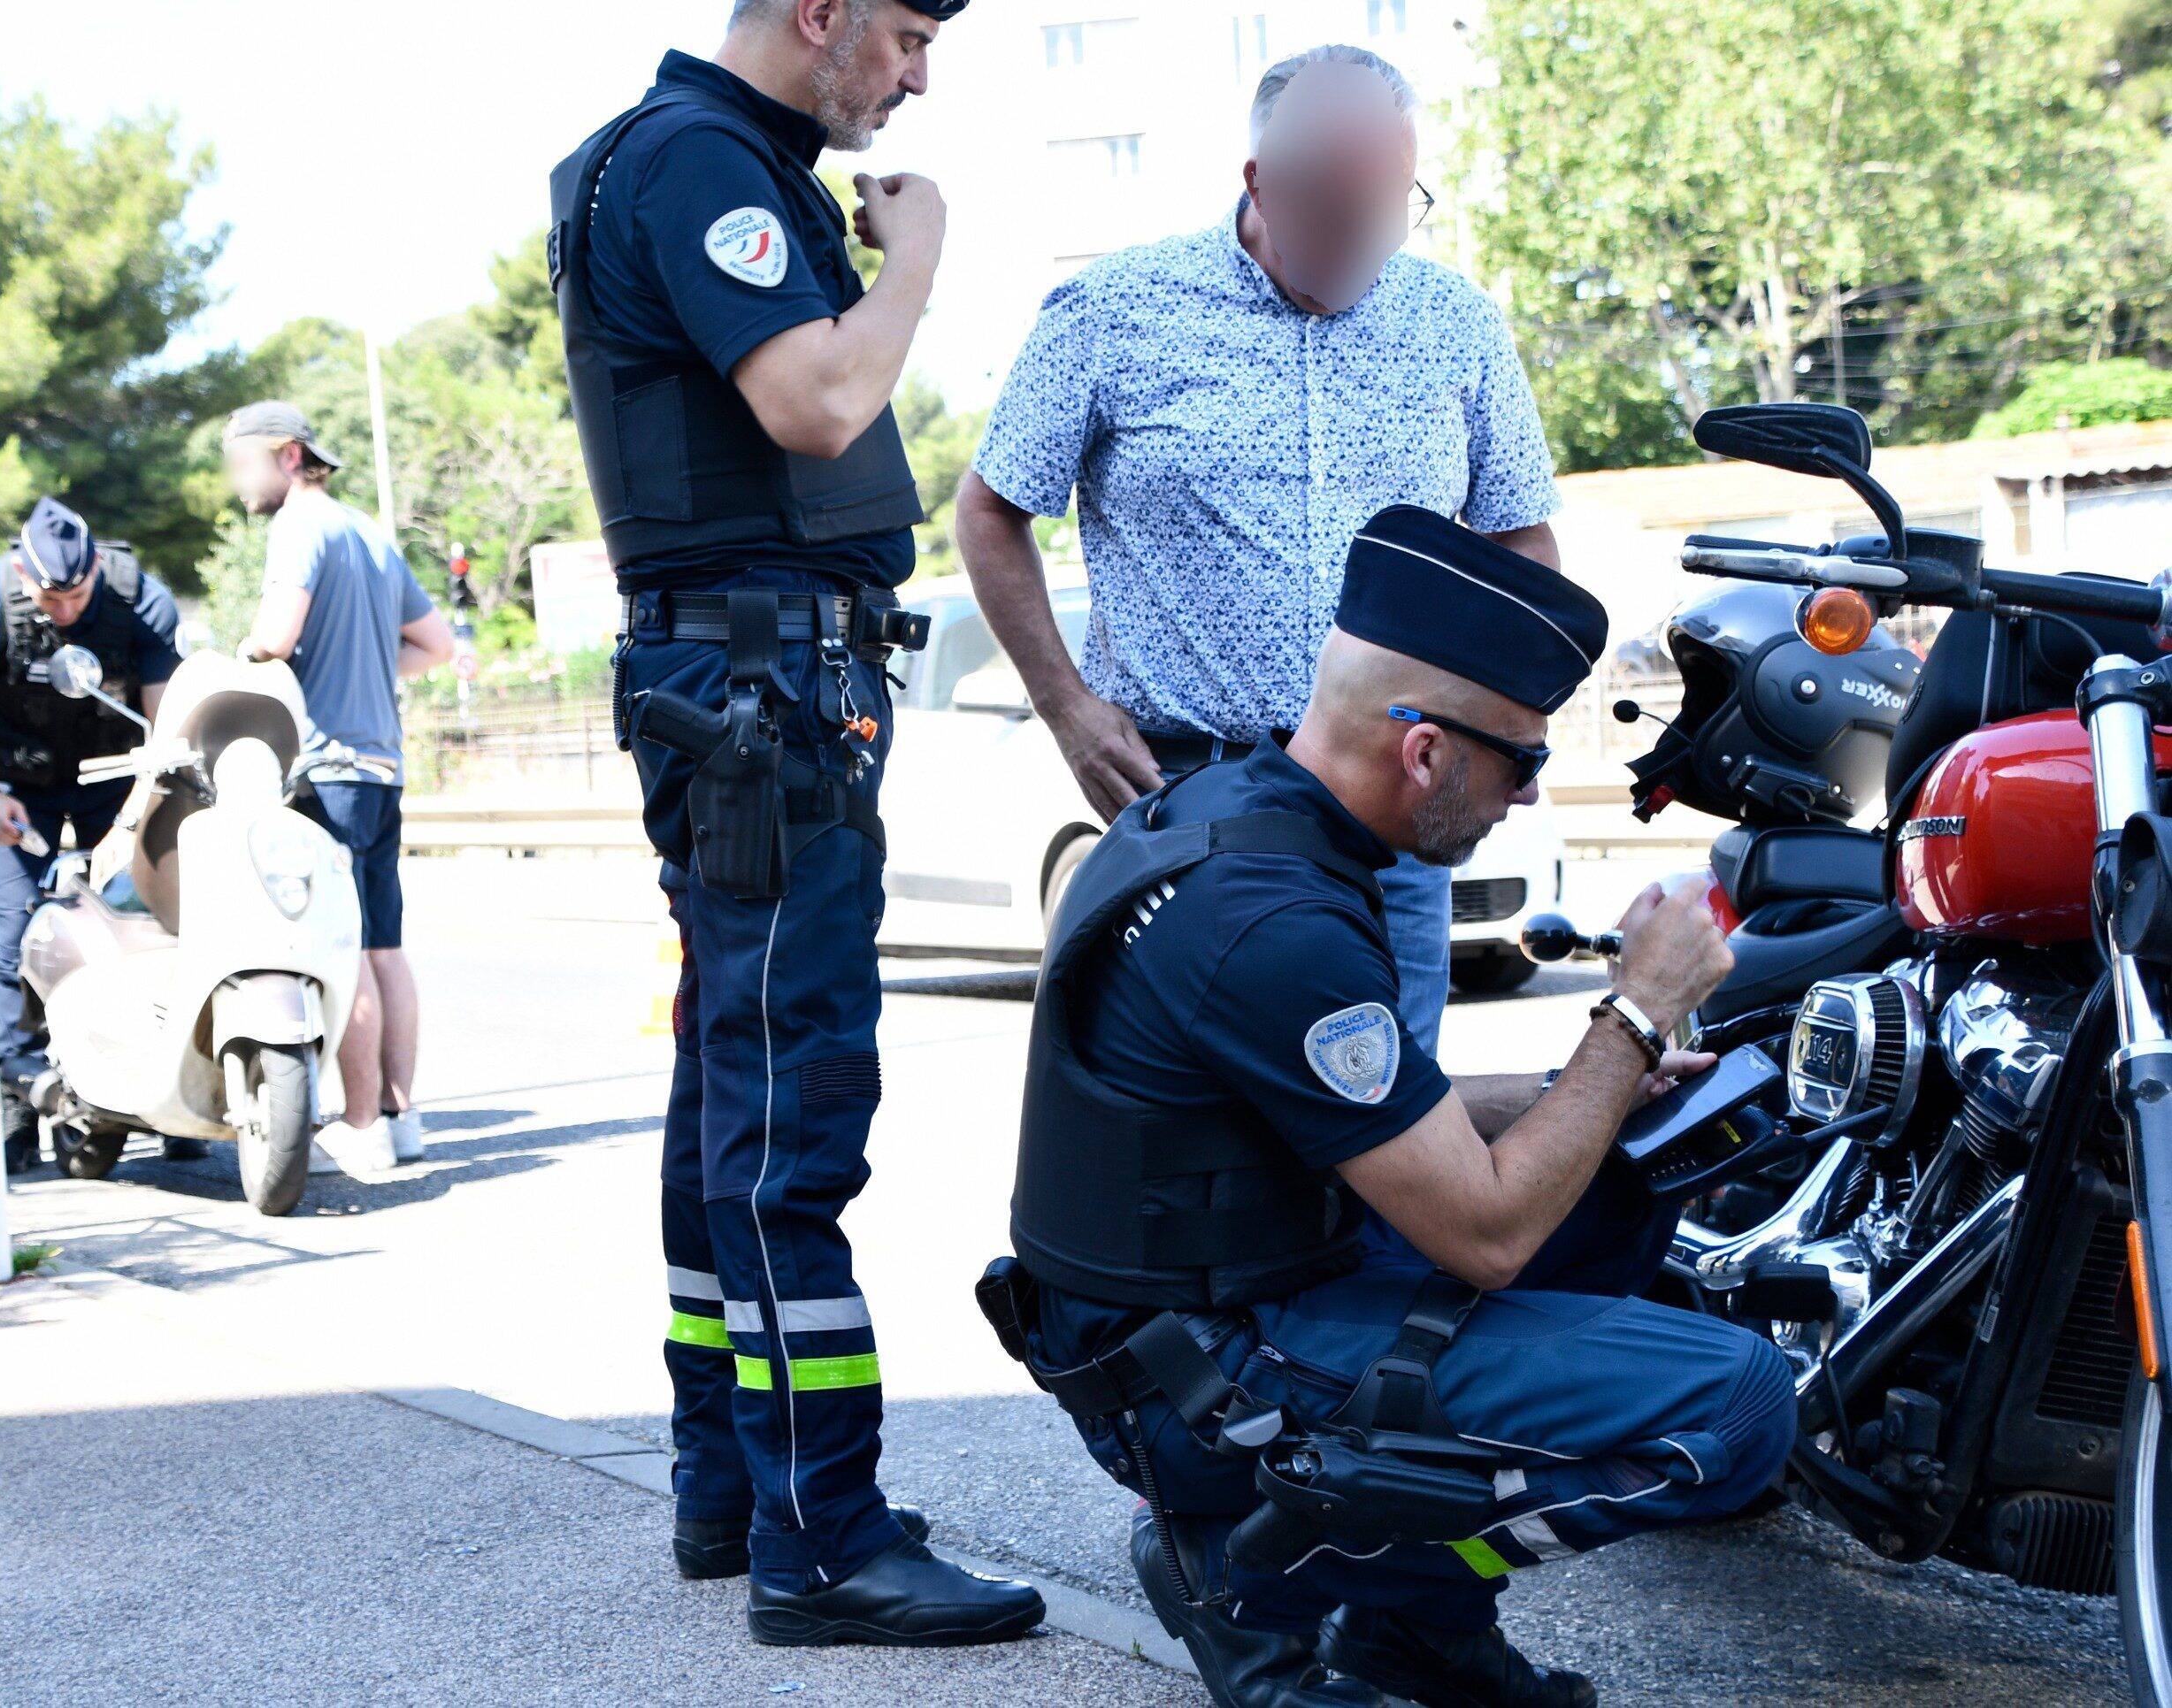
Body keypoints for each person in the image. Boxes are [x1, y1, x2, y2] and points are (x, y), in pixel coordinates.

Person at [993, 509, 1793, 1708]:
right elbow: (1488, 1230)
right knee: (1739, 1404)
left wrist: (1584, 1088)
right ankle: (1262, 1567)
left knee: (1615, 1183)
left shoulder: (1241, 817)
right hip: (1198, 1374)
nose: (1528, 795)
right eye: (1520, 758)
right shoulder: (1278, 921)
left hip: (1186, 1295)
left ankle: (1412, 1635)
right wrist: (1634, 1014)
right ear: (1424, 753)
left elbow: (1321, 1104)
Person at [550, 0, 1045, 1649]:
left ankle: (733, 1487)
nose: (918, 76)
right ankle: (821, 1535)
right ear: (818, 13)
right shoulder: (702, 162)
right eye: (903, 33)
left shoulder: (692, 156)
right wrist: (922, 255)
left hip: (744, 687)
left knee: (730, 1100)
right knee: (790, 1114)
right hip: (768, 697)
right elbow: (820, 405)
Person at [956, 43, 1564, 1056]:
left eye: (1386, 211)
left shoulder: (1454, 323)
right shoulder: (1113, 311)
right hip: (1187, 792)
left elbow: (1520, 534)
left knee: (1390, 1111)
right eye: (1333, 214)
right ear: (1259, 185)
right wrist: (1066, 707)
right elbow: (989, 509)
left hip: (1391, 804)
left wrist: (1515, 722)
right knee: (1200, 1114)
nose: (1363, 244)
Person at [0, 496, 185, 1174]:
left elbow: (168, 723)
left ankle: (168, 1085)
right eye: (48, 596)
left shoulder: (139, 599)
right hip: (15, 785)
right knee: (11, 934)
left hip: (117, 777)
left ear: (97, 567)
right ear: (20, 571)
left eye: (75, 594)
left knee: (149, 922)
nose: (63, 610)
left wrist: (135, 817)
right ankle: (15, 1099)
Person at [221, 402, 452, 1165]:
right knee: (385, 946)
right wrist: (363, 667)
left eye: (242, 462)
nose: (236, 481)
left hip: (328, 768)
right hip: (382, 767)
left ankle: (359, 1129)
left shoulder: (298, 526)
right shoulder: (368, 532)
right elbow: (436, 644)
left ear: (288, 456)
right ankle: (401, 1117)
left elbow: (277, 636)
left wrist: (242, 657)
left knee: (340, 948)